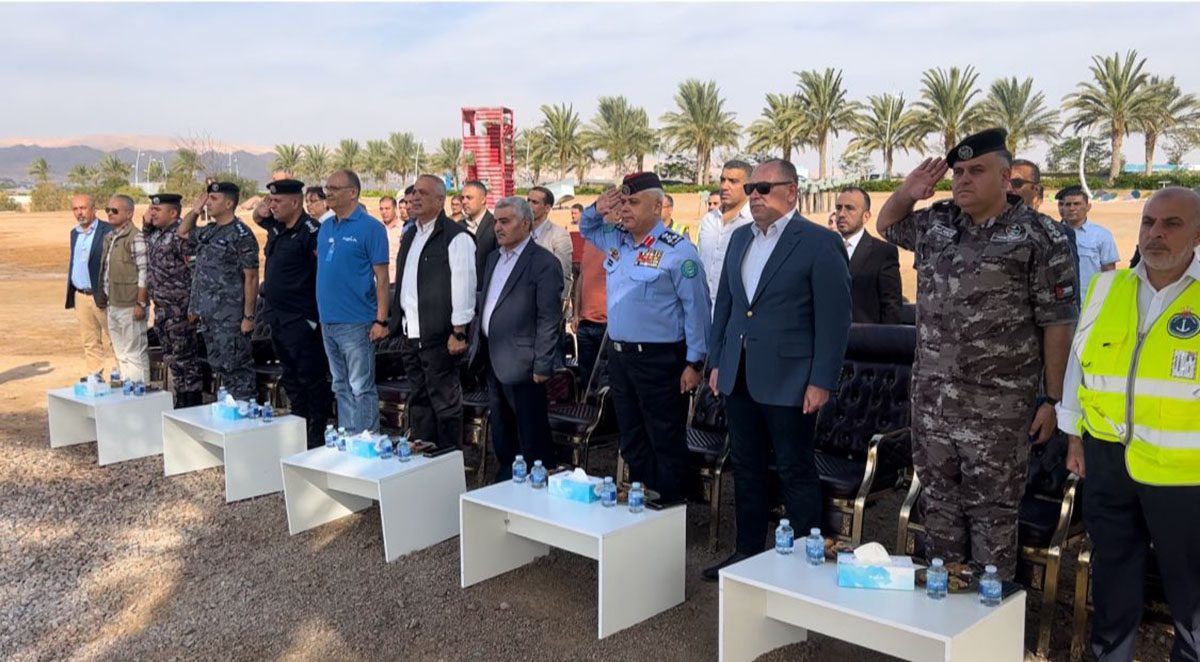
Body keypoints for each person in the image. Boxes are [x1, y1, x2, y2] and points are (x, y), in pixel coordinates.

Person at [875, 128, 1078, 579]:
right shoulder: (936, 222)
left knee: (993, 520)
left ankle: (990, 612)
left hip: (998, 412)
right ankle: (944, 608)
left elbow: (1058, 323)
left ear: (1006, 177)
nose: (963, 180)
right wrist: (908, 191)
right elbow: (886, 226)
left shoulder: (1040, 236)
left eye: (976, 171)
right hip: (933, 405)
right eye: (958, 172)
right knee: (939, 512)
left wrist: (1052, 400)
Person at [1059, 187, 1200, 662]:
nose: (1156, 234)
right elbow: (1078, 365)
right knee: (1113, 577)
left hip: (1184, 472)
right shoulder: (1107, 288)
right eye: (1149, 222)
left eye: (1172, 224)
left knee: (1190, 592)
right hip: (1107, 459)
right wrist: (1074, 435)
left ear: (1197, 233)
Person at [701, 159, 852, 580]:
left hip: (791, 379)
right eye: (752, 187)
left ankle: (803, 564)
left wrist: (822, 380)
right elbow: (726, 307)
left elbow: (835, 319)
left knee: (794, 469)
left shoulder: (819, 242)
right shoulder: (739, 239)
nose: (755, 195)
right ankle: (747, 553)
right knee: (746, 466)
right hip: (739, 374)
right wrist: (717, 361)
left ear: (791, 191)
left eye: (764, 188)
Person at [579, 171, 711, 502]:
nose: (625, 209)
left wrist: (695, 363)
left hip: (660, 359)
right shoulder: (616, 240)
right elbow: (587, 227)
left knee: (664, 437)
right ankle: (643, 501)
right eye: (622, 202)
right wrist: (598, 207)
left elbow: (696, 308)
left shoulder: (678, 251)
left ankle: (670, 505)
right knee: (631, 436)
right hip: (620, 357)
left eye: (634, 202)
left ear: (657, 207)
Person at [473, 196, 563, 480]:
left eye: (505, 221)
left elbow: (549, 318)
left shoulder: (544, 262)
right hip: (494, 357)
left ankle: (538, 484)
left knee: (531, 432)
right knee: (502, 429)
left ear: (525, 223)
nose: (498, 228)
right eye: (496, 222)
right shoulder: (494, 258)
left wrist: (542, 364)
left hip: (525, 364)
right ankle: (506, 480)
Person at [390, 174, 477, 449]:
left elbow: (464, 285)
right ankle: (425, 458)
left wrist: (459, 331)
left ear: (440, 200)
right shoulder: (411, 235)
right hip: (412, 333)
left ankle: (449, 459)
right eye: (414, 192)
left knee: (445, 403)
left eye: (423, 193)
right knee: (419, 400)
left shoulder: (456, 236)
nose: (415, 197)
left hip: (441, 336)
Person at [254, 179, 331, 448]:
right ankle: (299, 427)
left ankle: (316, 434)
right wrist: (264, 206)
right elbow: (258, 216)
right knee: (290, 377)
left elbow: (323, 273)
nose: (272, 205)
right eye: (271, 200)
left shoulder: (312, 232)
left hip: (302, 318)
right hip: (277, 317)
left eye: (277, 201)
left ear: (296, 203)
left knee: (311, 378)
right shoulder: (277, 226)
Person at [315, 169, 390, 434]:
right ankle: (348, 437)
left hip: (356, 322)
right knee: (340, 385)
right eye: (327, 188)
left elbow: (382, 278)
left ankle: (367, 440)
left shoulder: (371, 228)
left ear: (353, 192)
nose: (328, 193)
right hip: (328, 321)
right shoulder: (326, 227)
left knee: (361, 387)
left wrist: (381, 320)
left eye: (335, 188)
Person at [181, 182, 260, 401]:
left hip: (231, 318)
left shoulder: (241, 234)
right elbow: (183, 231)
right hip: (209, 316)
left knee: (237, 372)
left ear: (228, 203)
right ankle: (229, 411)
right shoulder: (209, 230)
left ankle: (245, 410)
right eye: (208, 198)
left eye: (214, 199)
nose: (208, 202)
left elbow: (251, 278)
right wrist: (195, 209)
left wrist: (248, 316)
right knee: (220, 368)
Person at [144, 193, 202, 407]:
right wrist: (147, 220)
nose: (152, 213)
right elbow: (145, 232)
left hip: (181, 310)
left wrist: (194, 306)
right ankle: (180, 399)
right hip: (161, 309)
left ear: (173, 213)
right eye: (152, 208)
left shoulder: (181, 236)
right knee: (172, 359)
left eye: (157, 210)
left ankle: (192, 403)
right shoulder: (155, 234)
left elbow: (197, 272)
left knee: (186, 360)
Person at [97, 195, 151, 383]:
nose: (110, 214)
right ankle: (127, 390)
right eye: (108, 210)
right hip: (113, 304)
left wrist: (140, 303)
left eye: (115, 210)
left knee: (135, 354)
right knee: (120, 353)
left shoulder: (136, 237)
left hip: (130, 305)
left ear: (129, 214)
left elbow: (144, 272)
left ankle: (140, 392)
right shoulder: (110, 237)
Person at [834, 186, 903, 324]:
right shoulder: (825, 249)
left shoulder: (883, 253)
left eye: (849, 208)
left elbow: (891, 308)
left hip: (864, 335)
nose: (841, 214)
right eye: (838, 208)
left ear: (866, 216)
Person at [66, 193, 114, 375]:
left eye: (83, 208)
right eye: (75, 209)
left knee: (115, 339)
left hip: (103, 296)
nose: (79, 212)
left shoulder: (108, 230)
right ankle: (95, 378)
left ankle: (124, 378)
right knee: (90, 342)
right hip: (81, 296)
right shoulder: (74, 233)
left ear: (94, 209)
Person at [698, 160, 754, 310]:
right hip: (703, 307)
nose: (724, 186)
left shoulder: (753, 223)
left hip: (736, 310)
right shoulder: (708, 220)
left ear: (748, 187)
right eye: (722, 180)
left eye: (733, 181)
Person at [1057, 185, 1120, 293]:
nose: (1072, 208)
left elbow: (1109, 273)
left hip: (1090, 298)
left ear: (1088, 207)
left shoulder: (1101, 235)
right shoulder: (1052, 233)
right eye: (1068, 204)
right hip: (1060, 298)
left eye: (1077, 204)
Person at [527, 186, 574, 304]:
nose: (529, 205)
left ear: (547, 208)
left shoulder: (559, 235)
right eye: (528, 200)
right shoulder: (520, 233)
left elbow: (563, 274)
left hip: (545, 302)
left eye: (535, 202)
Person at [572, 240, 608, 390]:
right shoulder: (588, 242)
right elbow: (582, 277)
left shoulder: (616, 241)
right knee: (586, 377)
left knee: (605, 379)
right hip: (585, 322)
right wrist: (576, 314)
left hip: (607, 325)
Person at [461, 180, 498, 277]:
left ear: (483, 200)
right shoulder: (457, 227)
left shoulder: (496, 226)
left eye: (469, 198)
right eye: (462, 198)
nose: (464, 202)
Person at [378, 196, 404, 284]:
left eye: (387, 209)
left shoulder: (404, 229)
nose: (384, 212)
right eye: (381, 209)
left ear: (395, 209)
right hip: (379, 280)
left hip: (397, 279)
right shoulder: (376, 229)